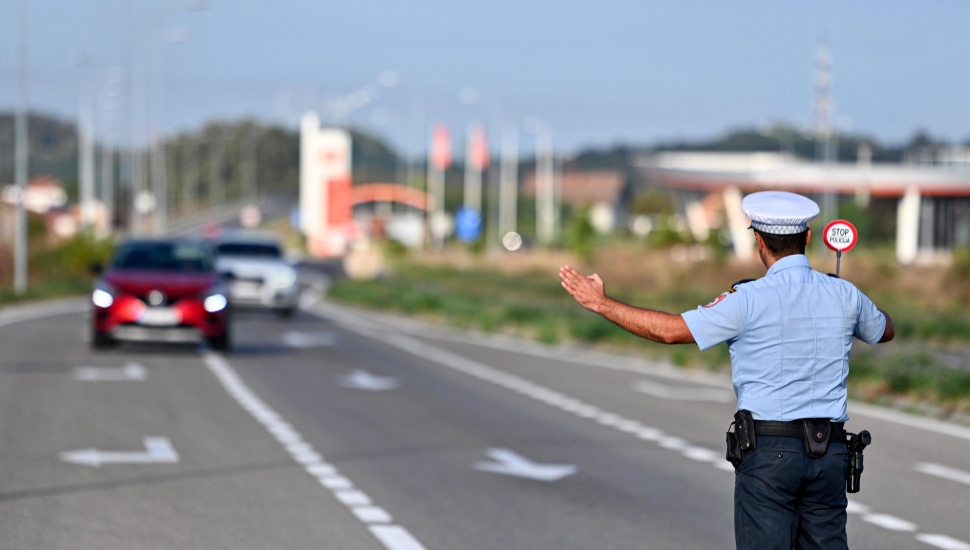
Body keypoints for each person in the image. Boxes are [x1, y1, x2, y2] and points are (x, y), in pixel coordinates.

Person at [559, 190, 894, 550]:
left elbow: (669, 331)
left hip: (770, 453)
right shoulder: (845, 293)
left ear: (759, 241)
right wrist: (843, 299)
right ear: (808, 238)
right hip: (830, 453)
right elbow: (884, 330)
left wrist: (601, 303)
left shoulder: (747, 299)